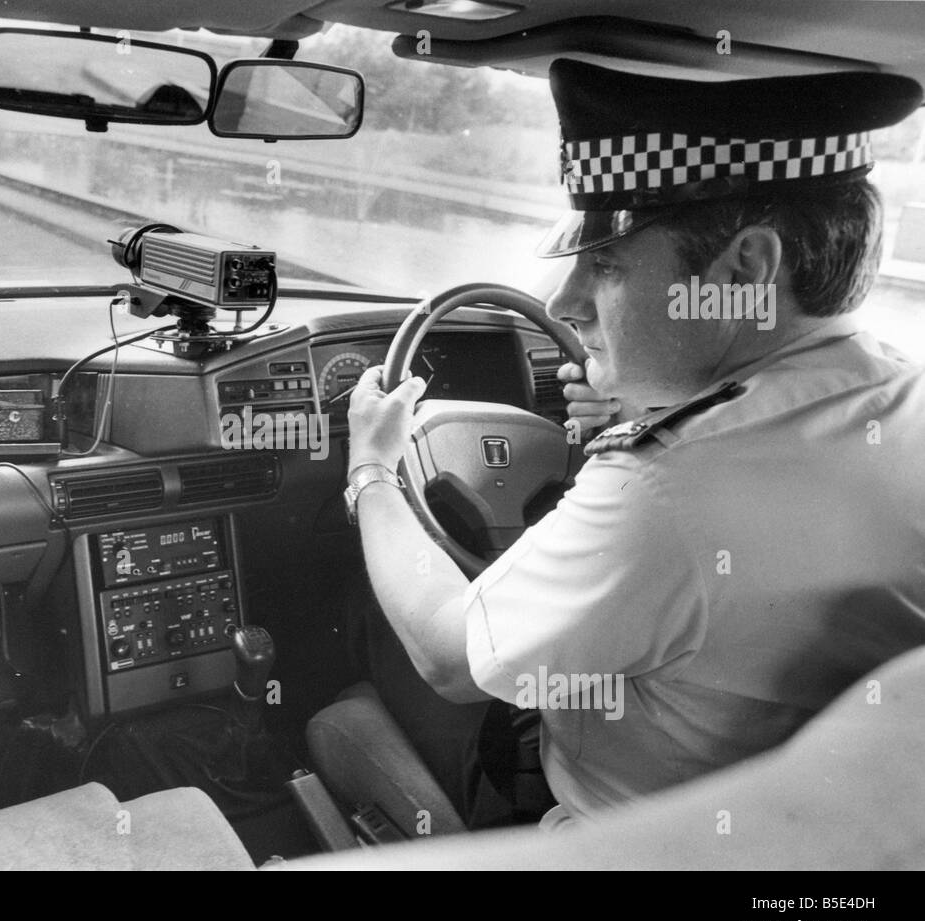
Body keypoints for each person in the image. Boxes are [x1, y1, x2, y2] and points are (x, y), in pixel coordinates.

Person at [345, 58, 925, 827]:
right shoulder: (901, 397)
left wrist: (372, 469)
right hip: (822, 876)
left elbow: (450, 655)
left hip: (631, 847)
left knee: (341, 722)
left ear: (747, 268)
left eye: (607, 264)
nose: (565, 300)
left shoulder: (666, 490)